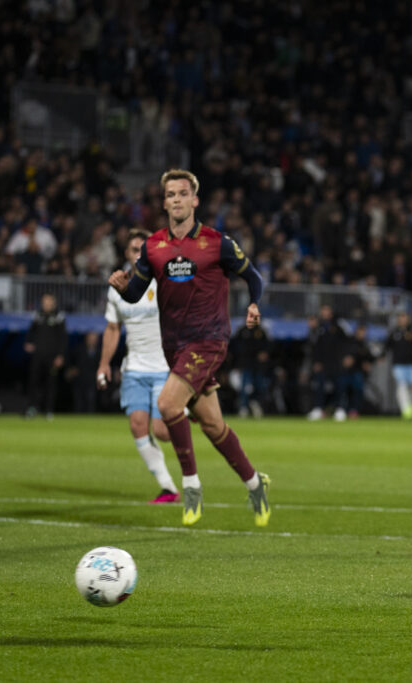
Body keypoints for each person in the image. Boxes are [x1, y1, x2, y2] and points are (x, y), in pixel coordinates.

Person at [109, 168, 270, 527]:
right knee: (213, 425)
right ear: (164, 202)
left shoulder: (217, 242)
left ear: (194, 200)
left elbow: (253, 276)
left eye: (183, 193)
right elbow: (135, 294)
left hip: (210, 341)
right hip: (176, 347)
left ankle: (191, 486)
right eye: (170, 195)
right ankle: (256, 483)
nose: (176, 200)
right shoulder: (153, 246)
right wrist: (123, 287)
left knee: (167, 404)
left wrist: (254, 304)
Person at [98, 228, 180, 504]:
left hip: (164, 367)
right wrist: (104, 364)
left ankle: (188, 411)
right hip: (134, 368)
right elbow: (112, 328)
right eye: (134, 249)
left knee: (162, 431)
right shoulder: (118, 286)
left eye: (143, 249)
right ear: (127, 254)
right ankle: (168, 487)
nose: (138, 254)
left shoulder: (164, 281)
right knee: (137, 426)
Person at [24, 293, 67, 419]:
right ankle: (32, 408)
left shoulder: (59, 317)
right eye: (44, 302)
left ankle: (48, 410)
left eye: (48, 302)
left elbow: (63, 338)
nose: (46, 305)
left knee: (51, 383)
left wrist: (60, 355)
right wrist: (28, 343)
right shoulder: (38, 316)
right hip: (38, 355)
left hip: (52, 356)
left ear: (53, 303)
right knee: (34, 382)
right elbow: (30, 332)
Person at [306, 305, 348, 421]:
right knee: (319, 387)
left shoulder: (339, 325)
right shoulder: (318, 327)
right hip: (322, 363)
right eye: (322, 311)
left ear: (331, 312)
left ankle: (340, 409)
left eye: (326, 311)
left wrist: (346, 357)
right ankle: (318, 409)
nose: (324, 313)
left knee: (339, 386)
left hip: (336, 362)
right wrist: (316, 361)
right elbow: (314, 347)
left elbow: (346, 342)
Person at [385, 312, 412, 419]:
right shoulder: (394, 332)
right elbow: (387, 346)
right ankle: (405, 410)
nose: (402, 320)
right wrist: (381, 356)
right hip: (398, 364)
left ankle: (411, 407)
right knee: (401, 386)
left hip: (411, 364)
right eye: (400, 318)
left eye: (404, 318)